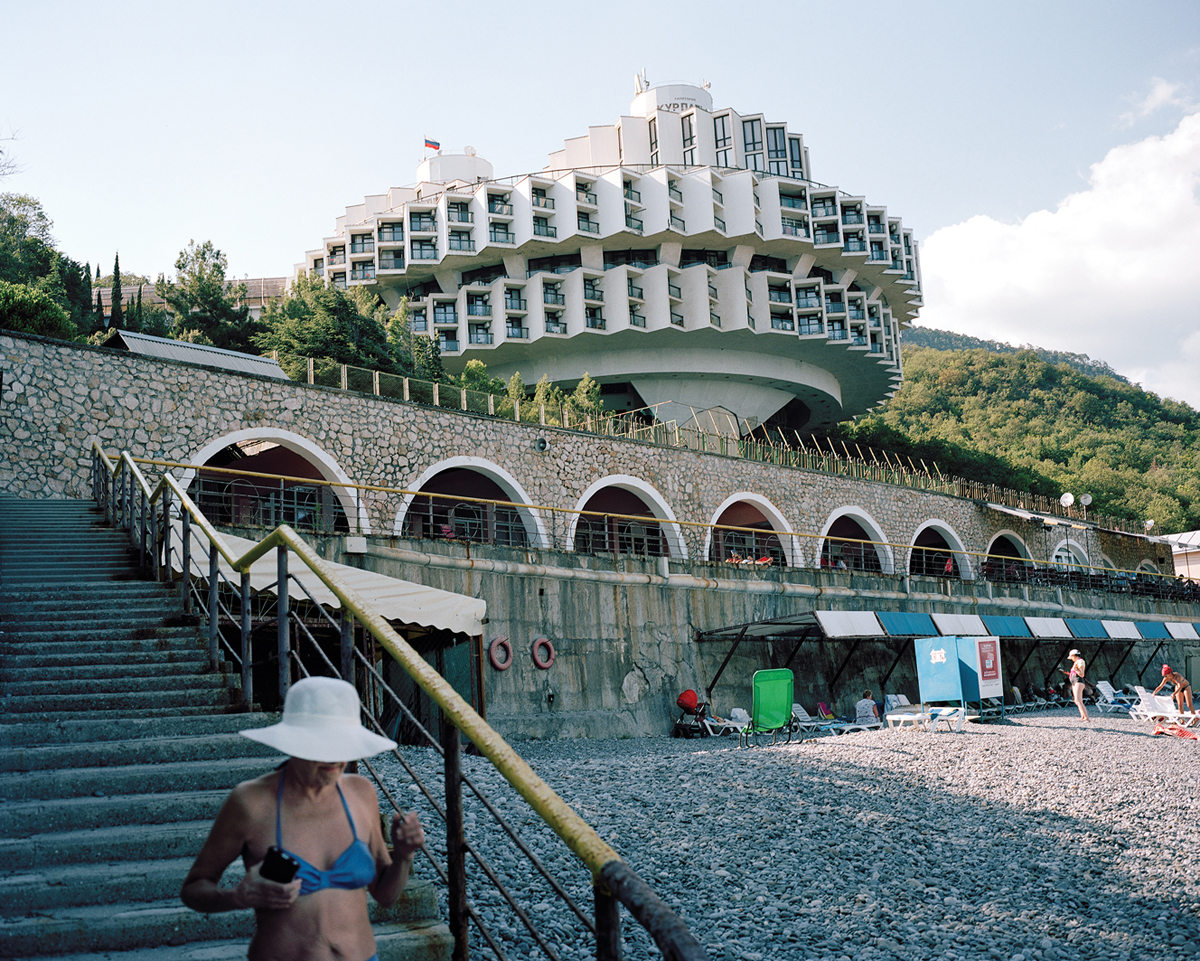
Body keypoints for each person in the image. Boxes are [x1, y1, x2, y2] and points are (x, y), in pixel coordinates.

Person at [181, 676, 426, 961]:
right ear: (292, 742)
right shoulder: (250, 802)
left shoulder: (362, 793)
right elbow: (193, 889)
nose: (334, 756)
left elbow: (385, 896)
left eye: (341, 743)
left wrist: (405, 857)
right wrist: (238, 897)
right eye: (320, 744)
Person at [1059, 649, 1089, 721]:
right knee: (1076, 700)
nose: (1071, 659)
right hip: (1075, 682)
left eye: (1071, 657)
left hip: (1078, 681)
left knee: (1078, 700)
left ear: (1073, 656)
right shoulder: (1076, 662)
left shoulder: (1080, 661)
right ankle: (1083, 716)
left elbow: (1081, 674)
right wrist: (1068, 673)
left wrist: (1076, 670)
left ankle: (1086, 718)